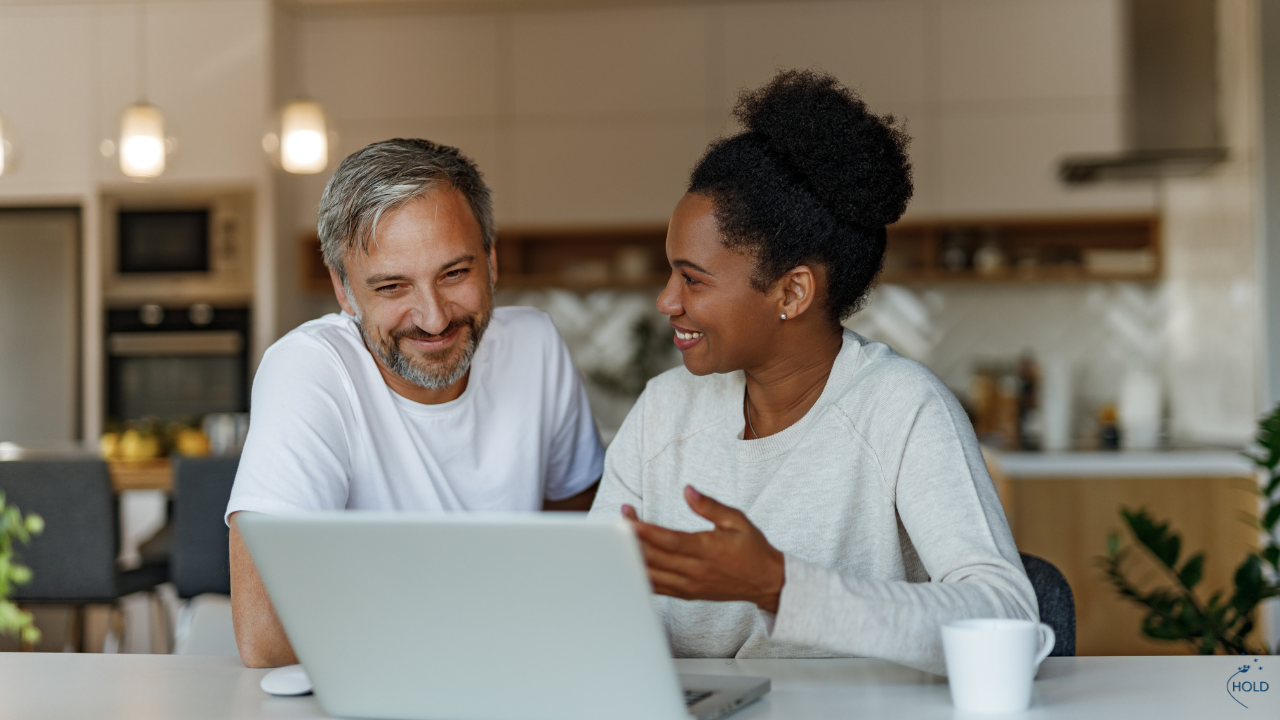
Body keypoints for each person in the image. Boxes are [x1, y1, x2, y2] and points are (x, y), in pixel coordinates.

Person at [588, 71, 1037, 675]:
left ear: (793, 291)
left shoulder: (901, 410)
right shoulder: (663, 410)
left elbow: (1005, 616)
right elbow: (593, 600)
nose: (667, 300)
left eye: (693, 279)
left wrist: (781, 587)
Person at [227, 139, 605, 668]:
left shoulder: (535, 345)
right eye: (391, 286)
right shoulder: (308, 370)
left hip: (513, 681)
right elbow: (266, 636)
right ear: (343, 288)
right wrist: (506, 614)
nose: (433, 318)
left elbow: (583, 550)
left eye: (455, 274)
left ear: (491, 261)